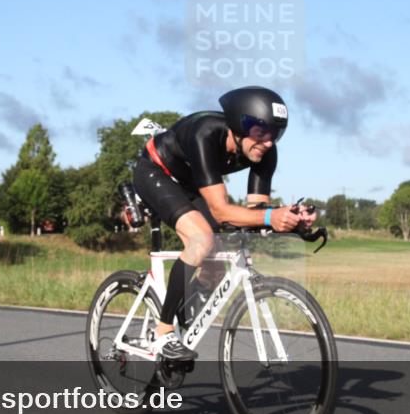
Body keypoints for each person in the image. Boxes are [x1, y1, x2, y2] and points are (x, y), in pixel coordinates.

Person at [132, 86, 317, 361]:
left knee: (218, 257)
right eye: (261, 132)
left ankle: (184, 314)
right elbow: (221, 211)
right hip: (156, 171)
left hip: (190, 183)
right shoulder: (205, 132)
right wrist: (270, 217)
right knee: (201, 239)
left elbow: (256, 212)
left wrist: (292, 220)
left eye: (275, 134)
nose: (268, 142)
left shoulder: (266, 152)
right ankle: (163, 332)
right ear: (238, 126)